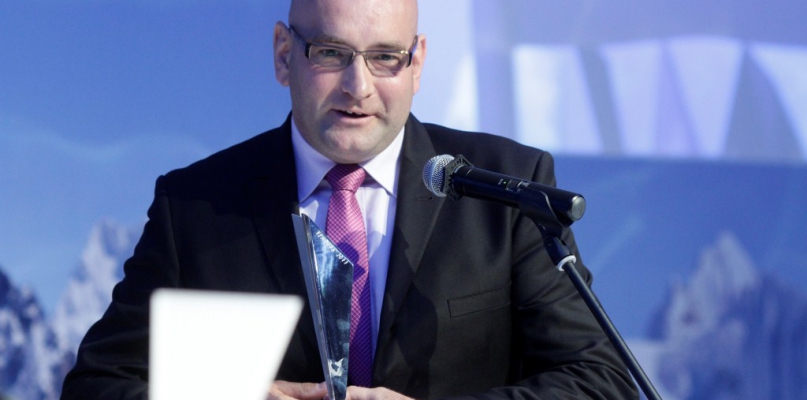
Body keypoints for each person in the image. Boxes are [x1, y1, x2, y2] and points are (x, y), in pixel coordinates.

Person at [61, 0, 638, 399]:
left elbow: (600, 380)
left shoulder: (506, 186)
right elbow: (99, 385)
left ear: (417, 63)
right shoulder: (194, 205)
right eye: (332, 52)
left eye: (385, 57)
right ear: (284, 54)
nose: (358, 87)